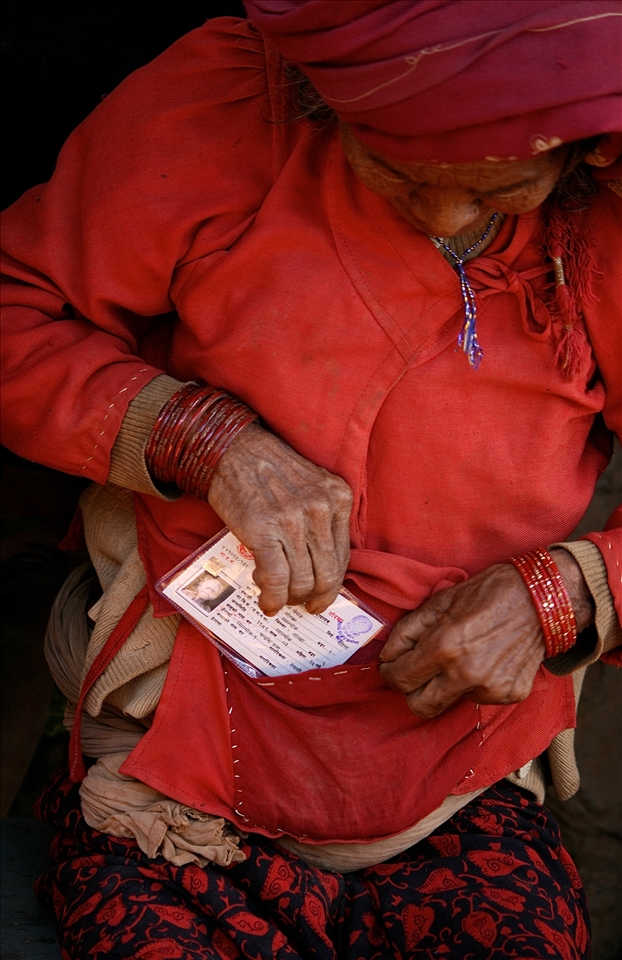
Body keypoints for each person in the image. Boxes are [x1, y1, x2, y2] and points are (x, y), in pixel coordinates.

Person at [1, 1, 621, 957]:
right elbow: (15, 317)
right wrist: (202, 439)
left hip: (460, 774)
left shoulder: (604, 200)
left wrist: (567, 593)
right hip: (182, 755)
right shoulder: (240, 99)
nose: (447, 219)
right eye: (398, 175)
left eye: (500, 194)